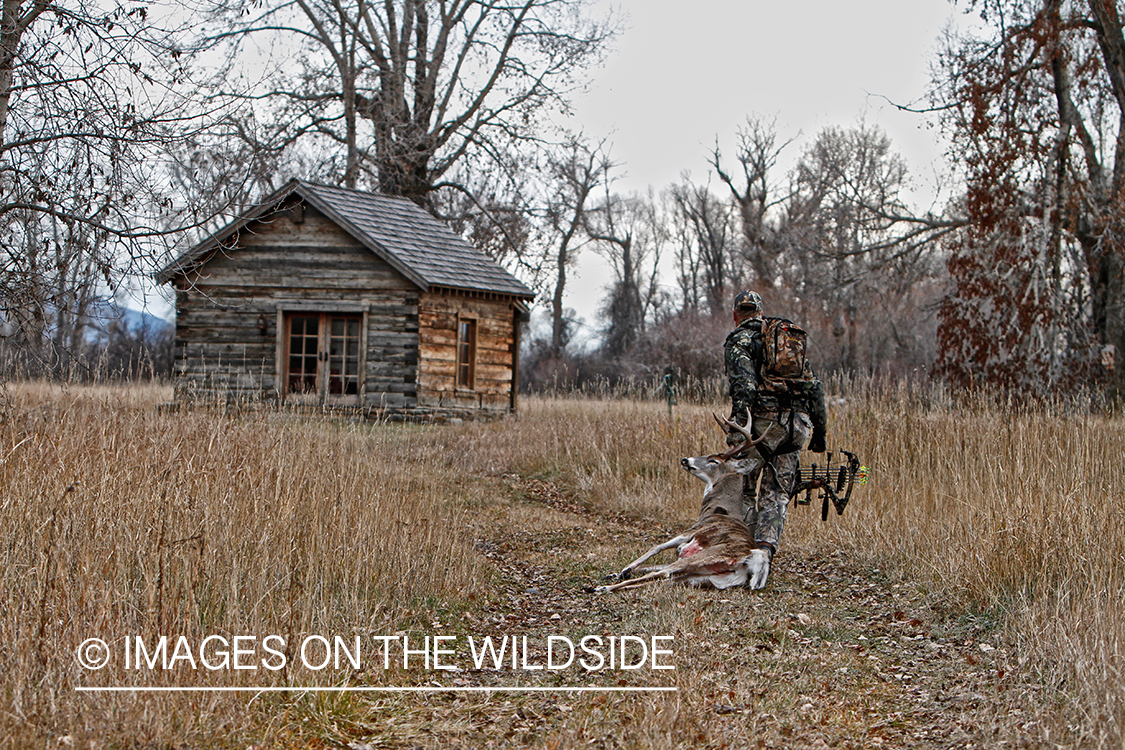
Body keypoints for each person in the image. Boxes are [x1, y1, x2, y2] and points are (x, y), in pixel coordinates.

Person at [723, 290, 827, 586]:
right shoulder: (784, 339)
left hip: (760, 429)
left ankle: (743, 556)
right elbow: (815, 389)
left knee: (740, 488)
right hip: (796, 426)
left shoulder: (739, 340)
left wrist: (736, 434)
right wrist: (819, 434)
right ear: (760, 312)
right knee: (777, 494)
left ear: (736, 315)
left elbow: (744, 387)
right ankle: (764, 555)